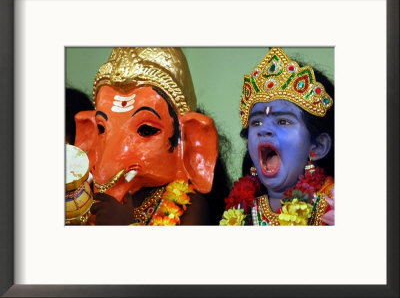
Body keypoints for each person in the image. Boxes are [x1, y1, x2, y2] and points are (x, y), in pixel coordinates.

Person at [73, 47, 229, 225]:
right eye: (102, 129)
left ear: (191, 142)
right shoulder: (91, 198)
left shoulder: (191, 206)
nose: (113, 152)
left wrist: (126, 226)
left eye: (146, 130)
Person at [220, 47, 334, 226]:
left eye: (283, 122)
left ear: (318, 146)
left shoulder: (331, 208)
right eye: (256, 122)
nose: (264, 129)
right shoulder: (241, 212)